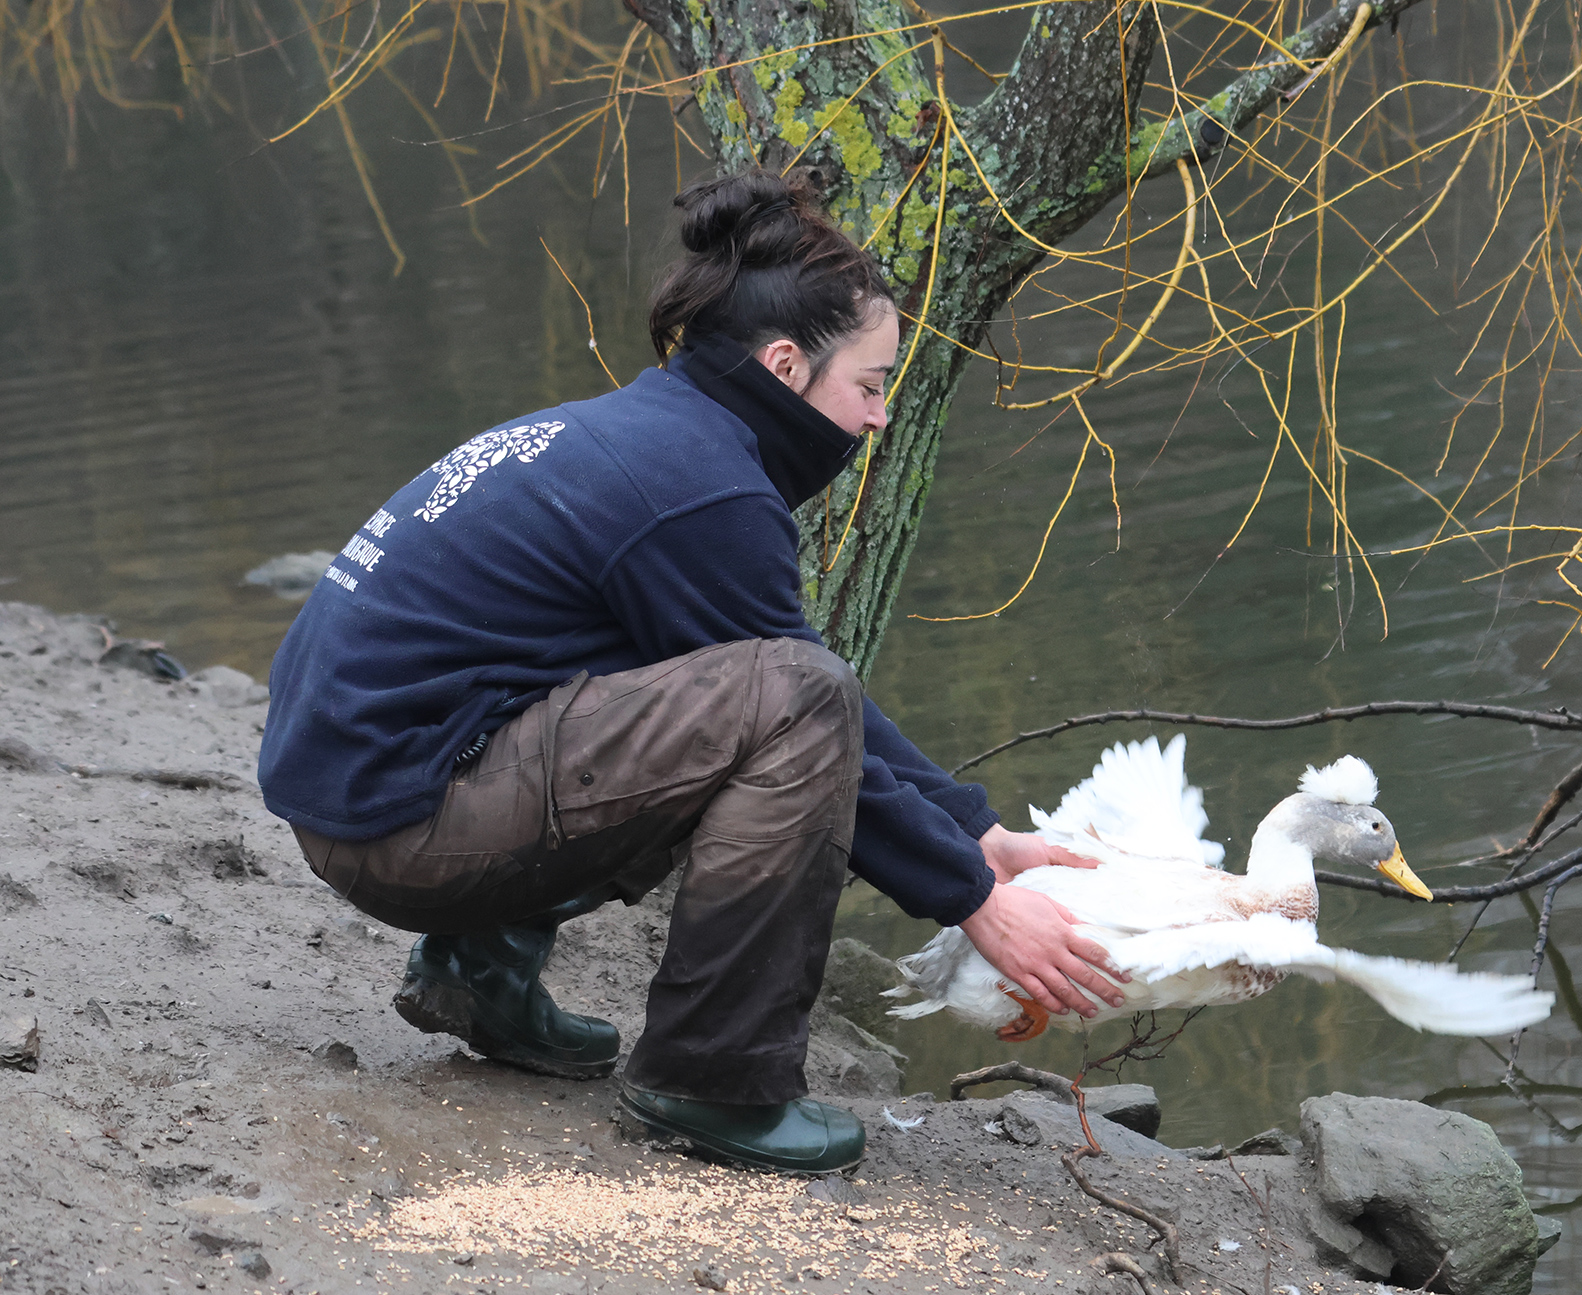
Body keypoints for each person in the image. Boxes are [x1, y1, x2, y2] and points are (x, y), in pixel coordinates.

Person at [257, 169, 1127, 1175]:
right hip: (398, 826)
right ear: (787, 364)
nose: (880, 416)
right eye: (871, 383)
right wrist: (974, 897)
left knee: (766, 691)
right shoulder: (699, 490)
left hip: (357, 794)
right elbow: (801, 706)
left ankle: (478, 977)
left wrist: (975, 831)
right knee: (789, 704)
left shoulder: (653, 436)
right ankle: (709, 1083)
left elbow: (792, 682)